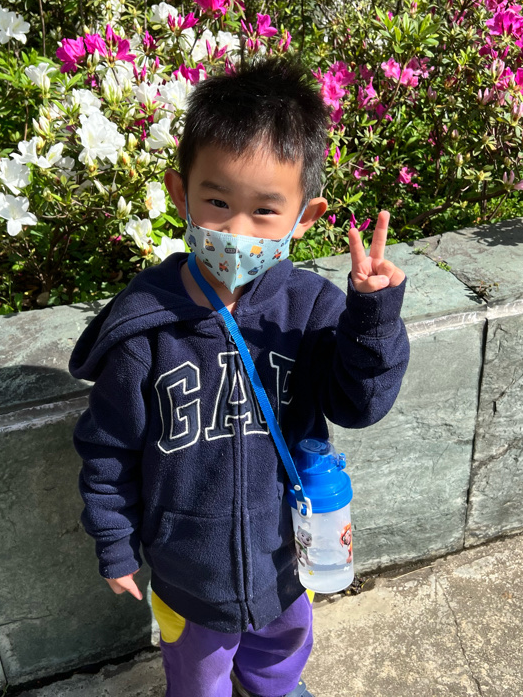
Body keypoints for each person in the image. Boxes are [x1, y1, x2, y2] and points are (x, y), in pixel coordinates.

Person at [69, 56, 410, 697]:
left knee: (284, 643)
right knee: (197, 672)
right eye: (217, 202)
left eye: (264, 211)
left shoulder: (309, 309)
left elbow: (359, 403)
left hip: (285, 553)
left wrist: (372, 316)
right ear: (180, 193)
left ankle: (273, 688)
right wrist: (114, 540)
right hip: (187, 571)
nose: (235, 230)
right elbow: (108, 446)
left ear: (304, 217)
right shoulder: (146, 328)